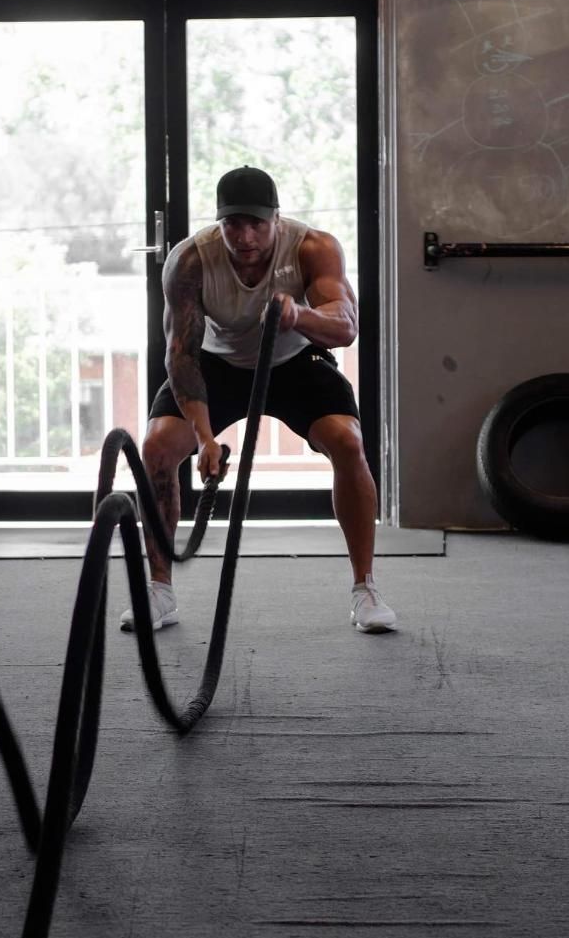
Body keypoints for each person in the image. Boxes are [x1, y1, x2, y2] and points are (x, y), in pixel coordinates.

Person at [119, 165, 397, 635]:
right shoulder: (190, 260)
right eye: (233, 224)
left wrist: (299, 315)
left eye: (256, 224)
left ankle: (365, 590)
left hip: (293, 359)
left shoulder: (312, 248)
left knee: (347, 441)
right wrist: (204, 439)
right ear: (220, 222)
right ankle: (159, 591)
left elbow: (346, 327)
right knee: (157, 447)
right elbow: (181, 356)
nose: (245, 237)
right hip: (218, 363)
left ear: (276, 219)